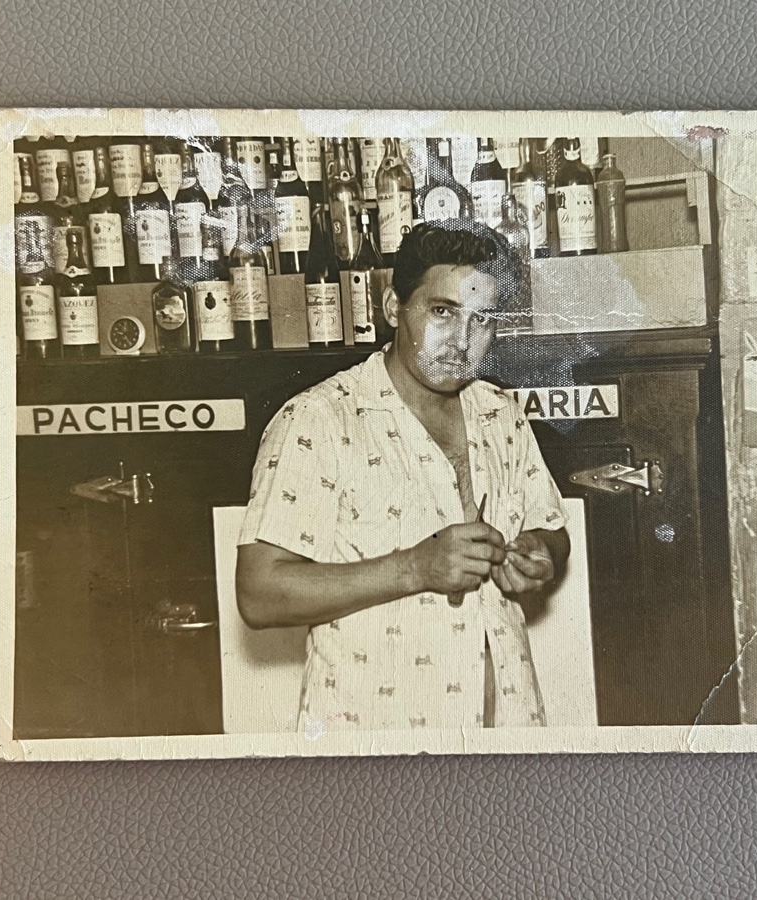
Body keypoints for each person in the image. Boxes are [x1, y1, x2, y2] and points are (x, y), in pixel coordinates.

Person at [236, 219, 570, 733]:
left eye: (482, 320)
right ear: (394, 307)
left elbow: (553, 530)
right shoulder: (319, 420)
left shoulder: (501, 411)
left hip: (507, 728)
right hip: (374, 745)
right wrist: (416, 567)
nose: (461, 341)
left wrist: (541, 552)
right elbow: (258, 593)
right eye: (442, 312)